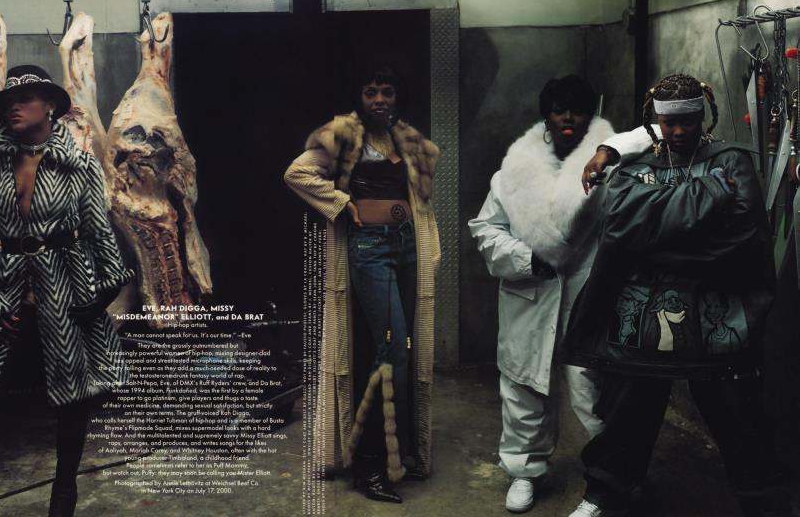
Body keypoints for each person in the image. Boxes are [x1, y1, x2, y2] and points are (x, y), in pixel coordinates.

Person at [562, 73, 794, 517]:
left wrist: (656, 234)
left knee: (739, 415)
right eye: (669, 122)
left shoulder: (731, 160)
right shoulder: (636, 164)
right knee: (628, 411)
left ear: (703, 115)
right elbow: (620, 226)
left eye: (688, 120)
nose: (679, 130)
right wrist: (707, 197)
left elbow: (742, 236)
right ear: (656, 120)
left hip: (716, 311)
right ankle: (603, 493)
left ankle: (766, 504)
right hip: (644, 313)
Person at [0, 65, 133, 517]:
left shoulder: (81, 165)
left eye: (25, 98)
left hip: (66, 284)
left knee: (73, 394)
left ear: (50, 105)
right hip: (7, 284)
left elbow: (99, 232)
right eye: (7, 102)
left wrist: (103, 291)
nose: (13, 107)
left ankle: (64, 492)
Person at [284, 66, 440, 503]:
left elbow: (419, 202)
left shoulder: (407, 140)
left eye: (387, 91)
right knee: (391, 348)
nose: (379, 100)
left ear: (397, 97)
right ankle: (371, 465)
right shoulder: (343, 136)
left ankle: (400, 453)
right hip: (370, 248)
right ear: (359, 97)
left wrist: (428, 246)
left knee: (403, 348)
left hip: (406, 245)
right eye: (371, 92)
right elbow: (297, 173)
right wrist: (341, 202)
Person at [469, 74, 623, 513]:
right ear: (547, 116)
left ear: (589, 115)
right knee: (524, 389)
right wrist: (527, 258)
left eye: (577, 109)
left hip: (586, 295)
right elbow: (486, 229)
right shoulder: (512, 176)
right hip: (530, 297)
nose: (568, 118)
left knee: (593, 391)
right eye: (560, 110)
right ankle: (524, 472)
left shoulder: (610, 172)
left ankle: (610, 477)